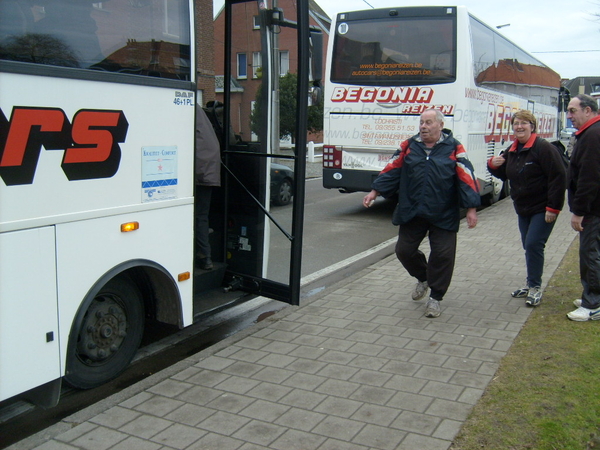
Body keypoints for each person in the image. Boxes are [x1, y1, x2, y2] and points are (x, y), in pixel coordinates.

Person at [363, 109, 480, 318]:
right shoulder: (409, 146)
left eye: (428, 122)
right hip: (413, 209)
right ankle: (424, 277)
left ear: (440, 125)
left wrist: (471, 208)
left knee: (443, 256)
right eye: (421, 122)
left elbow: (467, 176)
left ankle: (435, 298)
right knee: (404, 251)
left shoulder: (454, 147)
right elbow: (392, 168)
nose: (423, 127)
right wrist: (374, 191)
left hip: (443, 212)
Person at [487, 110, 566, 307]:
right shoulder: (512, 149)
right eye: (516, 124)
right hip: (523, 208)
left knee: (533, 245)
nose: (519, 127)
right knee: (528, 246)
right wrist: (492, 165)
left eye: (524, 123)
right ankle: (530, 283)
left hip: (543, 207)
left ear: (532, 126)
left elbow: (558, 177)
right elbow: (505, 174)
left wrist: (553, 208)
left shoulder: (543, 148)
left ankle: (535, 287)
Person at [564, 94, 600, 321]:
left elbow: (589, 177)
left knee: (589, 254)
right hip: (594, 207)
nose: (569, 116)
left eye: (572, 110)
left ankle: (592, 303)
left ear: (588, 111)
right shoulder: (591, 133)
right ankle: (592, 295)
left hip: (592, 209)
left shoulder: (592, 136)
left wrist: (579, 211)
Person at [195, 104, 222, 270]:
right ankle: (205, 256)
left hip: (201, 172)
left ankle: (204, 256)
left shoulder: (187, 109)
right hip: (207, 170)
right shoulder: (199, 113)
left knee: (198, 216)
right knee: (201, 216)